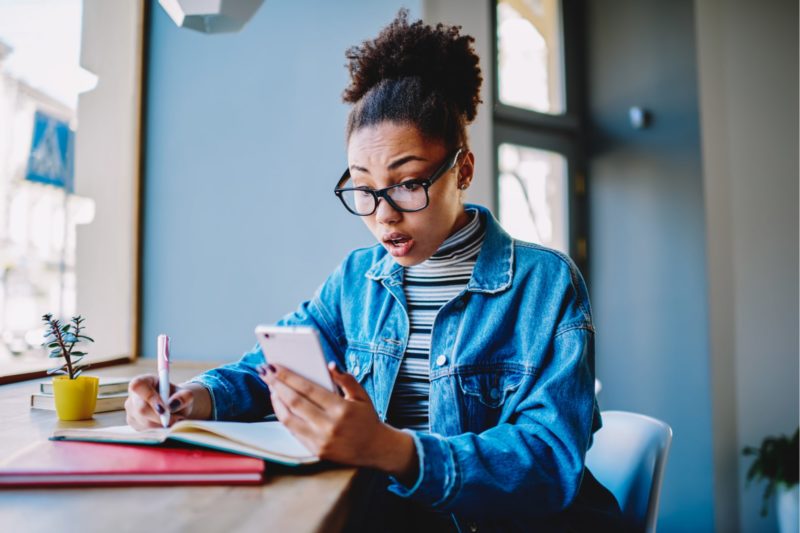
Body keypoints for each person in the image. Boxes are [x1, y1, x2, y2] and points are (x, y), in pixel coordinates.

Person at [125, 11, 622, 532]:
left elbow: (547, 462)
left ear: (464, 170)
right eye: (363, 189)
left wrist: (390, 448)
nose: (384, 214)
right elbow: (270, 368)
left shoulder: (543, 284)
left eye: (407, 184)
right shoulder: (357, 280)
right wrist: (190, 399)